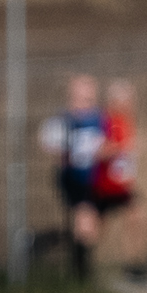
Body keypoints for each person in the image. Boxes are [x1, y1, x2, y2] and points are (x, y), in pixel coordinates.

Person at [53, 73, 108, 276]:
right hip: (74, 179)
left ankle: (79, 266)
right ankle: (81, 273)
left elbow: (108, 144)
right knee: (84, 221)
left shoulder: (100, 119)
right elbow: (52, 145)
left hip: (96, 179)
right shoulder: (64, 119)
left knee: (91, 227)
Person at [93, 79, 142, 263]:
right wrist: (122, 148)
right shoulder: (104, 121)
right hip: (104, 185)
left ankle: (133, 261)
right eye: (128, 99)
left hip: (122, 185)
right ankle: (88, 261)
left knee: (137, 218)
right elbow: (100, 151)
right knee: (96, 229)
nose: (132, 103)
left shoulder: (126, 121)